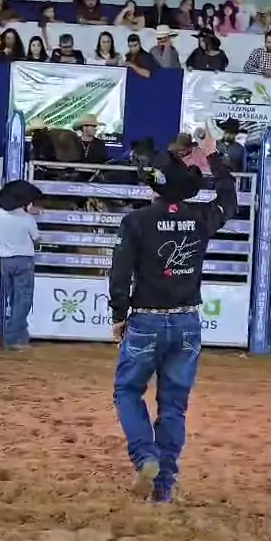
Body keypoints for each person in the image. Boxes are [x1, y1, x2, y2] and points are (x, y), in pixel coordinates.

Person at [109, 125, 237, 501]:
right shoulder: (200, 217)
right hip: (187, 320)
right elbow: (229, 199)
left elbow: (120, 273)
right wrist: (212, 155)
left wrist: (119, 314)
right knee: (174, 406)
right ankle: (163, 487)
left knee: (128, 390)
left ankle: (145, 455)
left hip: (147, 317)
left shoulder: (137, 221)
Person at [0, 180, 43, 350]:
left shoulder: (0, 215)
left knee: (14, 300)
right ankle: (12, 338)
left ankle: (21, 337)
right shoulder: (27, 219)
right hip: (23, 260)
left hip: (5, 260)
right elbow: (37, 240)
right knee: (23, 302)